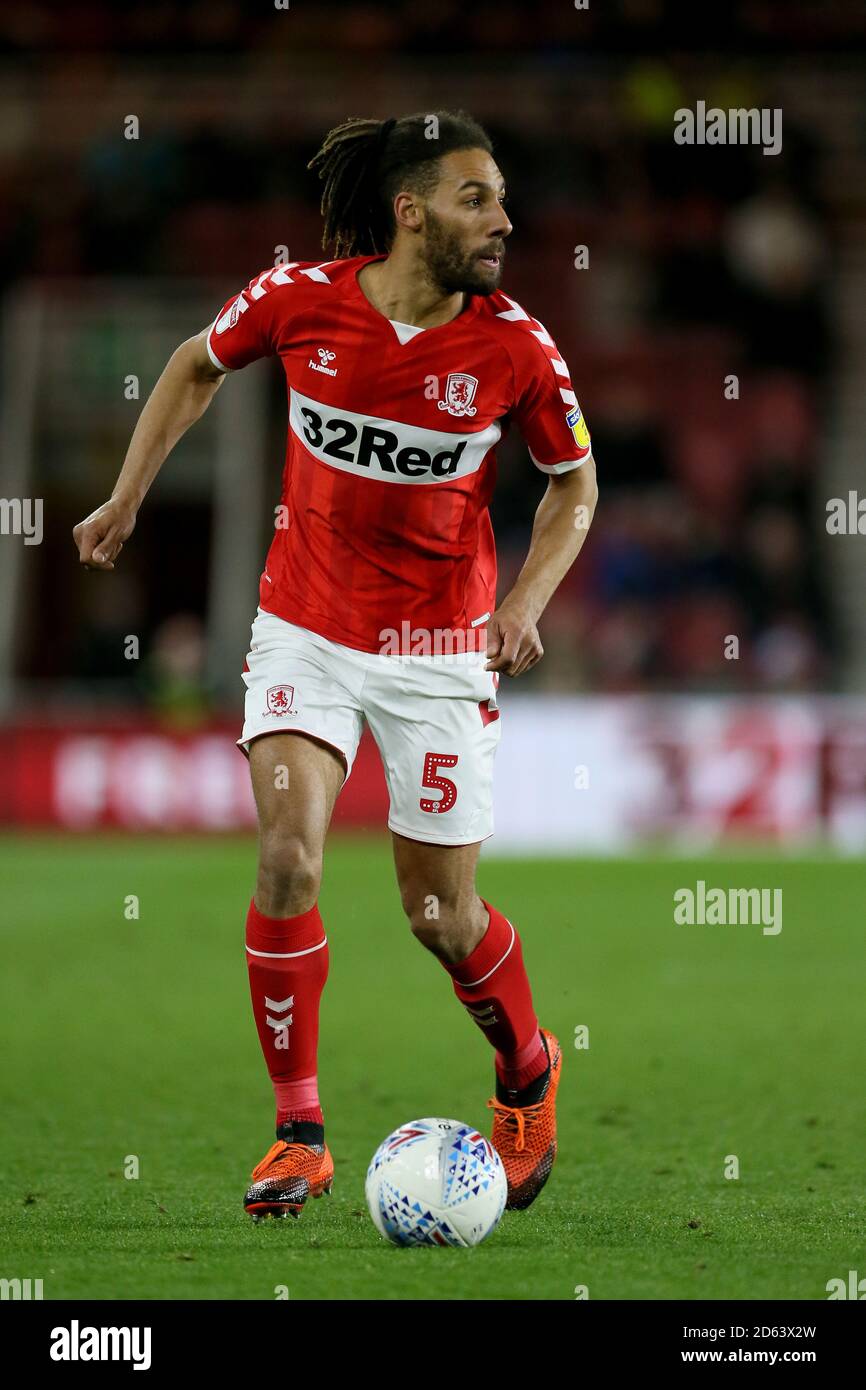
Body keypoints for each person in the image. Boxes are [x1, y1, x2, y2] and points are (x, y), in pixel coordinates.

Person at [73, 110, 598, 1222]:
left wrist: (521, 603)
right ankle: (298, 1131)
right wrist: (126, 496)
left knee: (436, 916)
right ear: (409, 211)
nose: (503, 218)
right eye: (476, 198)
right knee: (287, 859)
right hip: (303, 630)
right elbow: (191, 365)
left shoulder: (515, 348)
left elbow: (573, 487)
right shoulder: (299, 298)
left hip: (438, 653)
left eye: (502, 197)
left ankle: (526, 1069)